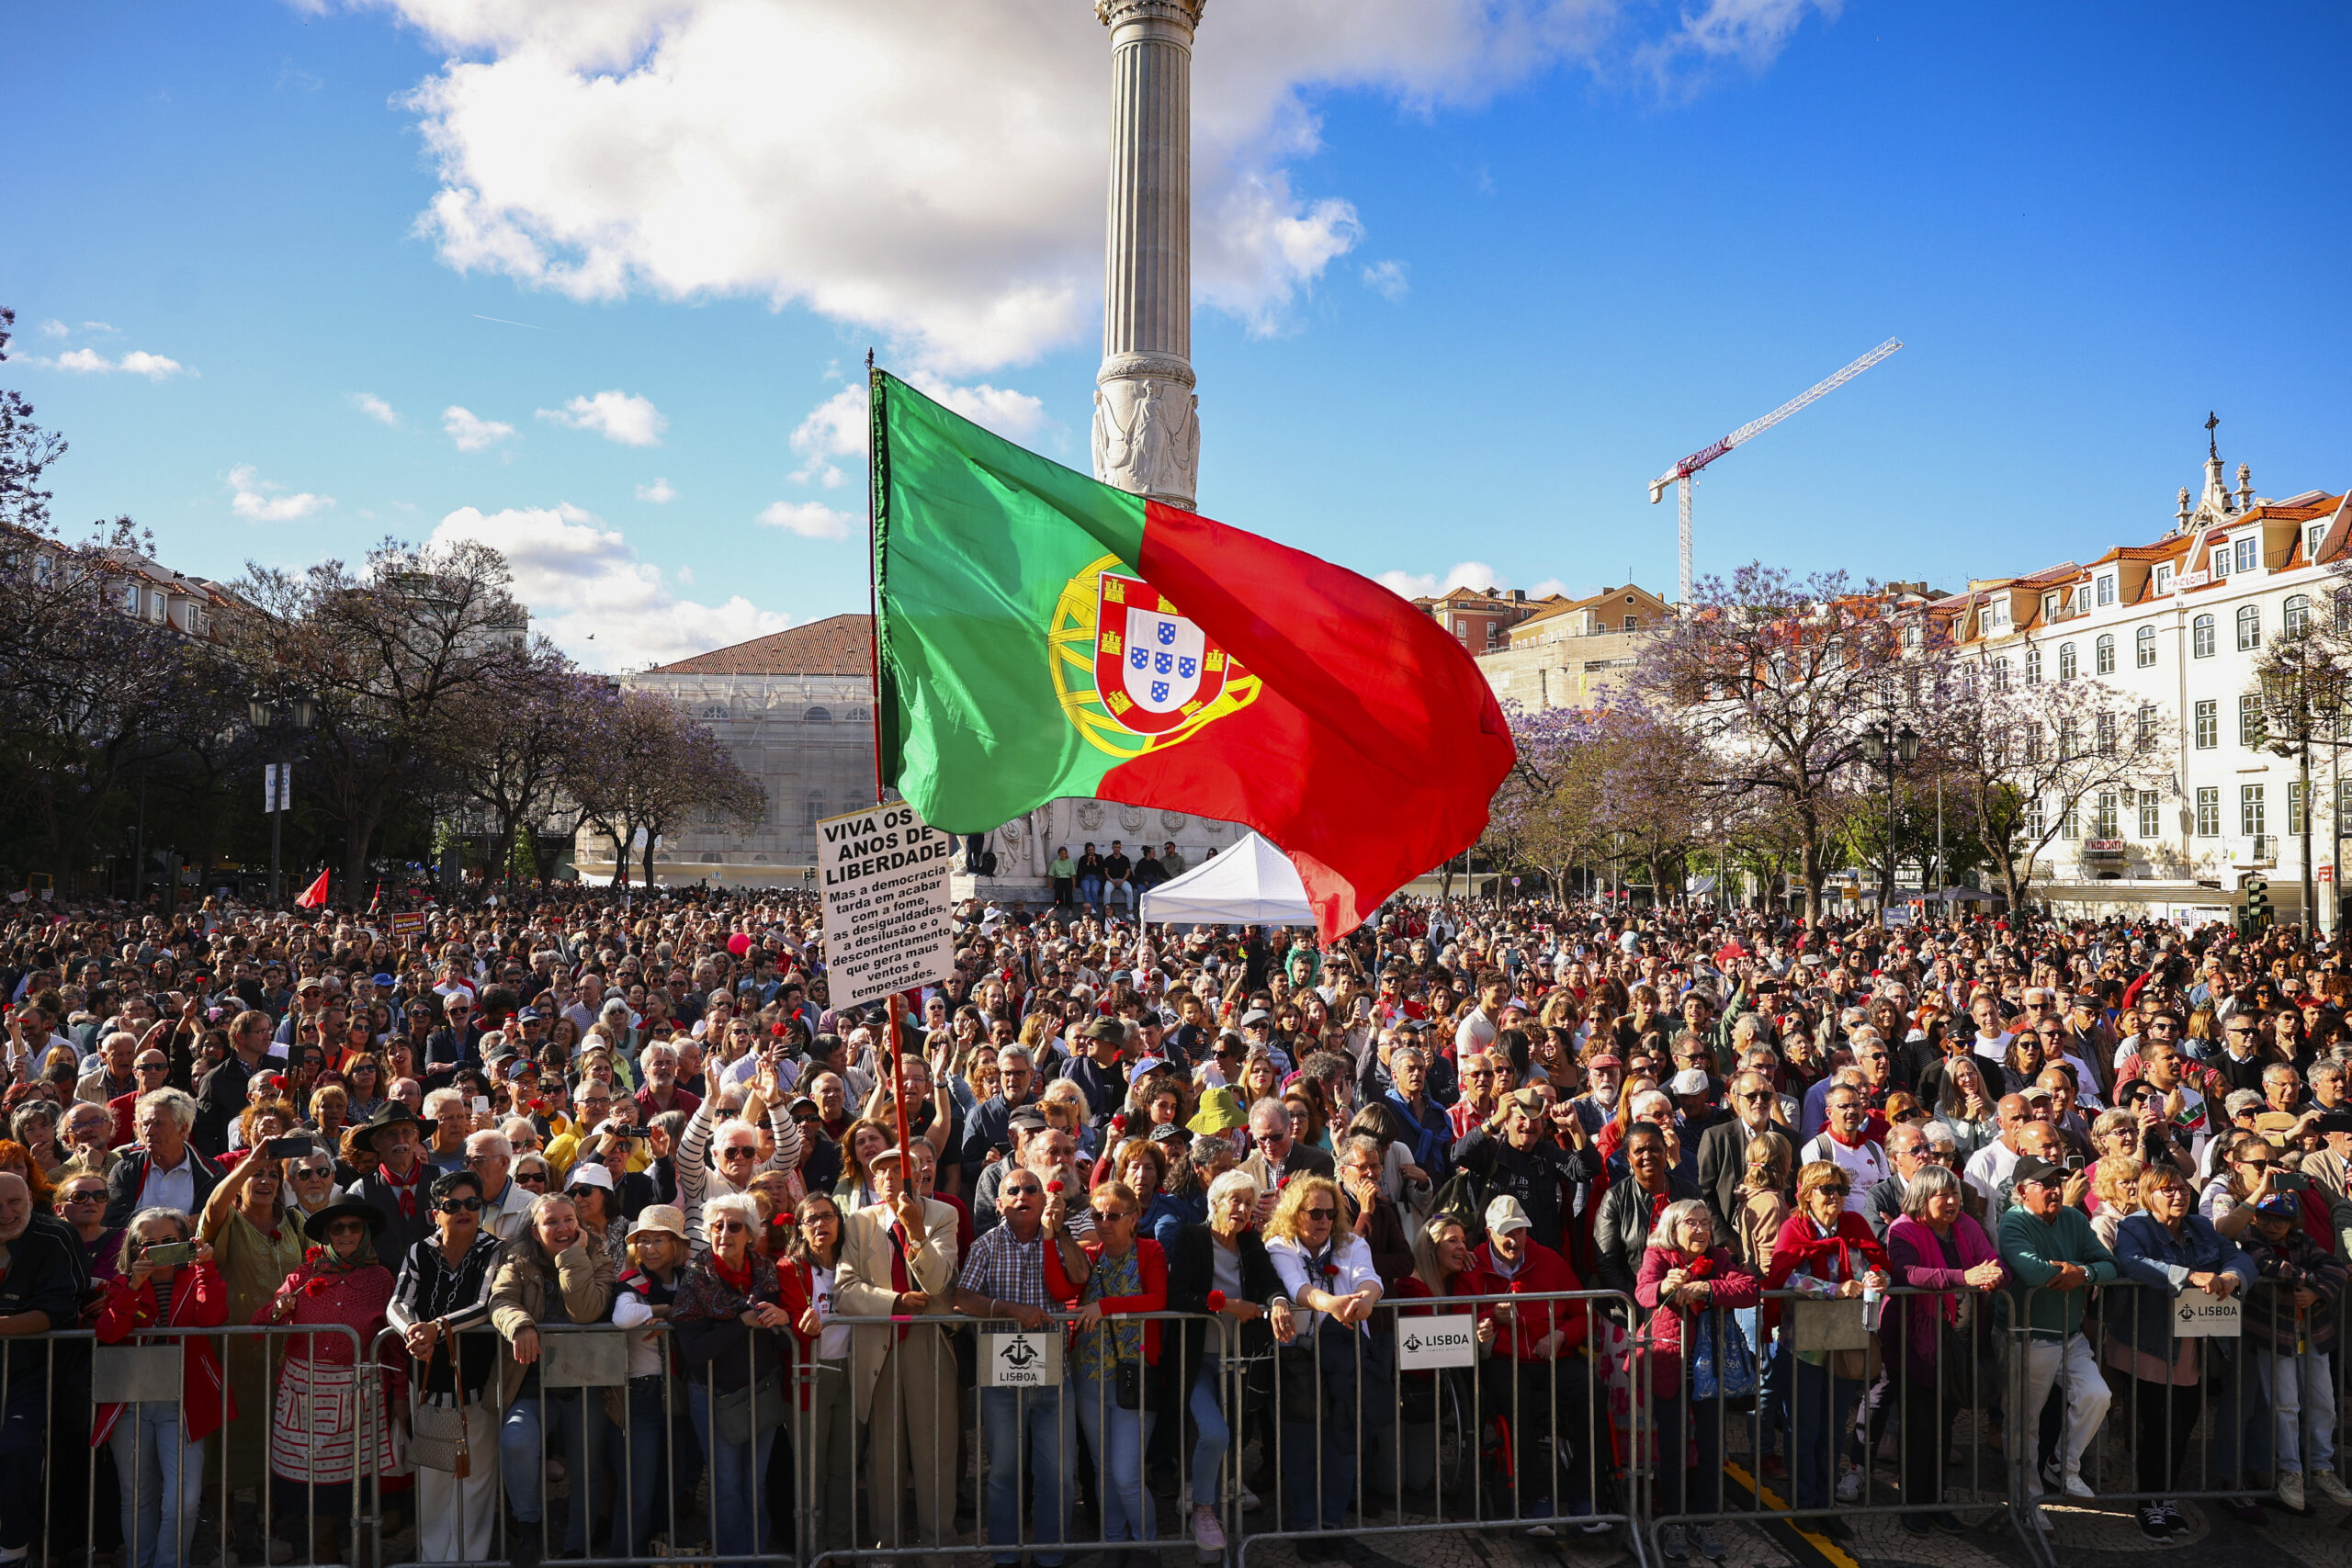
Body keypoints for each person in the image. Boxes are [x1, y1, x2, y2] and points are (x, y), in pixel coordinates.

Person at [954, 1160, 1089, 1566]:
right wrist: (1009, 1309)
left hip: (1053, 1377)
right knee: (1004, 1475)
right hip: (1001, 1379)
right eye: (1013, 1191)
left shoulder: (1059, 1236)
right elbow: (962, 1298)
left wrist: (1059, 1230)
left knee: (1058, 1477)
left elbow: (1081, 1275)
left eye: (1031, 1190)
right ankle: (1006, 1557)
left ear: (1045, 1198)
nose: (1022, 1197)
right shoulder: (985, 1246)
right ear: (998, 1203)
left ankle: (1051, 1555)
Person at [835, 1144, 961, 1568]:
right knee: (884, 1455)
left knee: (935, 1453)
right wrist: (894, 1302)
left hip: (928, 1344)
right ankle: (885, 1550)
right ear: (873, 1180)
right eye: (882, 1171)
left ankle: (938, 1549)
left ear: (919, 1174)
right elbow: (845, 1291)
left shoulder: (944, 1215)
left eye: (899, 1169)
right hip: (880, 1344)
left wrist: (916, 1231)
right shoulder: (859, 1222)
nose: (890, 1177)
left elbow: (940, 1283)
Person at [260, 1197, 401, 1566]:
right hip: (305, 1390)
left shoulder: (381, 1279)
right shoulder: (302, 1276)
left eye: (354, 1227)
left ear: (365, 1232)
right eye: (337, 1228)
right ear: (325, 1235)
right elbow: (263, 1322)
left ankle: (366, 1553)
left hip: (361, 1392)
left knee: (364, 1476)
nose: (346, 1234)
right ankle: (325, 1550)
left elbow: (394, 1343)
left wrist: (400, 1395)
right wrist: (277, 1310)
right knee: (312, 1478)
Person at [1161, 1168, 1290, 1551]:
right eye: (1235, 1201)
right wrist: (1226, 1305)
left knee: (1230, 1440)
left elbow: (1269, 1282)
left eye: (1249, 1203)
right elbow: (1178, 1295)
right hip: (1199, 1358)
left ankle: (1212, 1538)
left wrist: (1279, 1302)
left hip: (1239, 1360)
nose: (1242, 1210)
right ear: (1215, 1202)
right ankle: (1203, 1509)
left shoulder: (1250, 1241)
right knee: (1214, 1432)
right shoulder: (1192, 1237)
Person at [95, 1208, 230, 1568]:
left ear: (185, 1241)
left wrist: (205, 1267)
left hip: (183, 1401)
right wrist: (134, 1288)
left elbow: (212, 1318)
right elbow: (108, 1333)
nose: (159, 1249)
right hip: (131, 1400)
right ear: (135, 1249)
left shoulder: (198, 1276)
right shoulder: (122, 1283)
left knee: (184, 1499)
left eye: (169, 1241)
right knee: (137, 1497)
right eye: (148, 1244)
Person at [1764, 1160, 1888, 1534]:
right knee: (1805, 1427)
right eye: (1826, 1189)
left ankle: (1826, 1503)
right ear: (1806, 1194)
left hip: (1844, 1338)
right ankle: (1805, 1503)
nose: (1835, 1196)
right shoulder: (1794, 1228)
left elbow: (1878, 1263)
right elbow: (1785, 1278)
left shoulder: (1855, 1225)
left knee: (1834, 1427)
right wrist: (1834, 1289)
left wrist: (1876, 1277)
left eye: (1840, 1189)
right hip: (1802, 1342)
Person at [490, 1192, 615, 1562]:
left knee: (586, 1465)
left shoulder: (599, 1258)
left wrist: (572, 1256)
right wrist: (521, 1324)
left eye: (568, 1220)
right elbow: (500, 1300)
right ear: (535, 1229)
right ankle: (528, 1524)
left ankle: (580, 1543)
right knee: (516, 1441)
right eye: (552, 1222)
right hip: (530, 1384)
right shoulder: (516, 1261)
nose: (562, 1228)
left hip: (585, 1383)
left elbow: (586, 1312)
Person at [1263, 1174, 1385, 1556]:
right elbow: (1297, 1286)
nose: (1323, 1221)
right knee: (1300, 1445)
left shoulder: (1352, 1243)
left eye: (1330, 1214)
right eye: (1314, 1212)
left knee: (1343, 1440)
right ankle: (1306, 1527)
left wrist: (1364, 1299)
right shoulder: (1280, 1244)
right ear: (1295, 1212)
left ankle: (1331, 1525)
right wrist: (1334, 1305)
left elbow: (1370, 1279)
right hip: (1301, 1355)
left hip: (1347, 1355)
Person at [1881, 1165, 2005, 1536]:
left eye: (1954, 1194)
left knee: (1945, 1424)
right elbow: (1909, 1273)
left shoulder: (1966, 1225)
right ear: (1922, 1198)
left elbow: (1991, 1260)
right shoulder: (1903, 1229)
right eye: (1942, 1195)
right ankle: (1913, 1504)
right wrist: (1964, 1278)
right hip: (1917, 1342)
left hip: (1961, 1340)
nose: (1952, 1202)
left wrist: (1995, 1274)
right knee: (1920, 1424)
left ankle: (1937, 1501)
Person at [387, 1169, 503, 1563]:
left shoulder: (493, 1249)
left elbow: (487, 1302)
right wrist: (412, 1333)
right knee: (435, 1482)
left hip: (479, 1386)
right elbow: (397, 1303)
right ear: (435, 1213)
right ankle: (434, 1559)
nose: (464, 1211)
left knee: (476, 1481)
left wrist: (436, 1328)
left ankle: (470, 1558)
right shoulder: (420, 1251)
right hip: (431, 1386)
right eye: (452, 1205)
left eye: (473, 1203)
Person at [196, 1144, 307, 1554]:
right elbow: (213, 1205)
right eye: (254, 1175)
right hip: (232, 1351)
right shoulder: (228, 1221)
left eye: (271, 1175)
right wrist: (250, 1160)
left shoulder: (293, 1221)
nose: (263, 1181)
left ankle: (266, 1531)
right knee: (226, 1445)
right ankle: (224, 1537)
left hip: (284, 1353)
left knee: (272, 1443)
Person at [1996, 1155, 2119, 1528]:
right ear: (2023, 1191)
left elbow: (2109, 1266)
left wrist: (2081, 1272)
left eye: (2058, 1183)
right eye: (2045, 1184)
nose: (2054, 1190)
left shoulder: (2075, 1218)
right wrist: (2070, 1271)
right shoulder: (2013, 1220)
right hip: (2027, 1335)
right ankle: (2027, 1502)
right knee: (2024, 1424)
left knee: (2098, 1395)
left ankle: (2062, 1464)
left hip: (2070, 1334)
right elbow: (2031, 1270)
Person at [1637, 1197, 1760, 1562]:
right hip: (1669, 1365)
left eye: (1706, 1223)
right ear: (1673, 1228)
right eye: (1693, 1223)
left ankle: (1704, 1520)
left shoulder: (1720, 1260)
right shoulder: (1658, 1257)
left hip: (1710, 1370)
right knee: (1673, 1448)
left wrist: (1709, 1289)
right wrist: (1664, 1287)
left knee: (1710, 1447)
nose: (1702, 1230)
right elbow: (1642, 1291)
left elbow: (1750, 1289)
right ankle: (1673, 1521)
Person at [673, 1193, 791, 1567]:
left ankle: (755, 1557)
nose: (724, 1232)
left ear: (751, 1235)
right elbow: (695, 1351)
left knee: (754, 1484)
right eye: (717, 1226)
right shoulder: (694, 1281)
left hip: (760, 1391)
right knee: (725, 1487)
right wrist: (741, 1323)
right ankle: (731, 1560)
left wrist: (782, 1315)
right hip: (714, 1396)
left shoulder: (767, 1274)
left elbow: (779, 1321)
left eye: (734, 1226)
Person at [1056, 1179, 1167, 1564]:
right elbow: (1062, 1285)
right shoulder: (1090, 1255)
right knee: (1103, 1469)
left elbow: (1157, 1299)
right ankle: (1114, 1543)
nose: (1104, 1222)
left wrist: (1107, 1307)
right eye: (1098, 1215)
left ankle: (1145, 1546)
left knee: (1127, 1473)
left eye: (1114, 1216)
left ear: (1134, 1219)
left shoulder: (1150, 1251)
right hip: (1088, 1372)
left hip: (1135, 1374)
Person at [1473, 1194, 1599, 1530]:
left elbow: (1584, 1313)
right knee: (1517, 1398)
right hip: (1504, 1358)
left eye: (1520, 1231)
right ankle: (1533, 1497)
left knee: (1592, 1390)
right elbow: (1459, 1316)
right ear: (1489, 1233)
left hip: (1554, 1355)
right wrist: (1489, 1317)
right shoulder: (1474, 1264)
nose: (1514, 1240)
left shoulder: (1550, 1260)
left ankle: (1585, 1493)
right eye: (1506, 1233)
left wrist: (1561, 1336)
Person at [2241, 1187, 2350, 1513]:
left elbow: (2337, 1268)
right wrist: (2311, 1281)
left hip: (2312, 1331)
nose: (2273, 1226)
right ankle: (2291, 1469)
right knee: (2284, 1403)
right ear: (2256, 1217)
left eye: (2281, 1220)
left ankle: (2322, 1466)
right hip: (2275, 1332)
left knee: (2324, 1401)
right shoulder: (2251, 1240)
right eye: (2267, 1218)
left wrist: (2315, 1292)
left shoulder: (2304, 1242)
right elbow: (2269, 1265)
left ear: (2292, 1222)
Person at [609, 1203, 697, 1559]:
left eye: (659, 1240)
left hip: (681, 1390)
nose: (650, 1248)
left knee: (671, 1485)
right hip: (642, 1392)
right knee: (638, 1491)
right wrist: (662, 1311)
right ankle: (624, 1558)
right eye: (642, 1241)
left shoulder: (690, 1279)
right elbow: (623, 1317)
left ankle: (659, 1555)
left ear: (676, 1244)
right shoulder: (632, 1280)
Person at [780, 1193, 855, 1559]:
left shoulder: (852, 1264)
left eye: (828, 1216)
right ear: (800, 1227)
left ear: (840, 1222)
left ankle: (839, 1550)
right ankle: (813, 1552)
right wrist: (799, 1326)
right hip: (811, 1378)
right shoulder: (789, 1268)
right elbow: (792, 1323)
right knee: (812, 1473)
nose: (821, 1224)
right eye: (812, 1219)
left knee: (843, 1469)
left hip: (851, 1373)